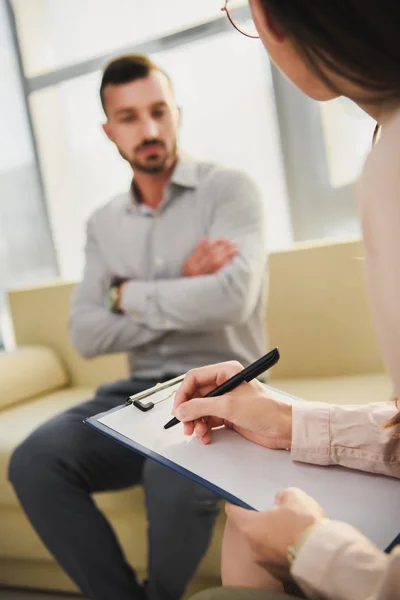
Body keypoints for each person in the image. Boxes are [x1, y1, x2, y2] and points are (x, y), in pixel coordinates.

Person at [8, 54, 268, 600]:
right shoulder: (103, 224)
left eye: (158, 111)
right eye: (128, 118)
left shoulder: (230, 190)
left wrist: (125, 295)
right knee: (34, 461)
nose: (148, 130)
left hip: (221, 388)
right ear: (109, 131)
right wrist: (181, 282)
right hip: (139, 395)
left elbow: (231, 299)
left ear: (177, 113)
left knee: (171, 478)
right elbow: (86, 332)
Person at [171, 1, 400, 598]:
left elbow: (231, 292)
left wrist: (312, 548)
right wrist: (284, 420)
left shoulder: (391, 167)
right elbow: (89, 328)